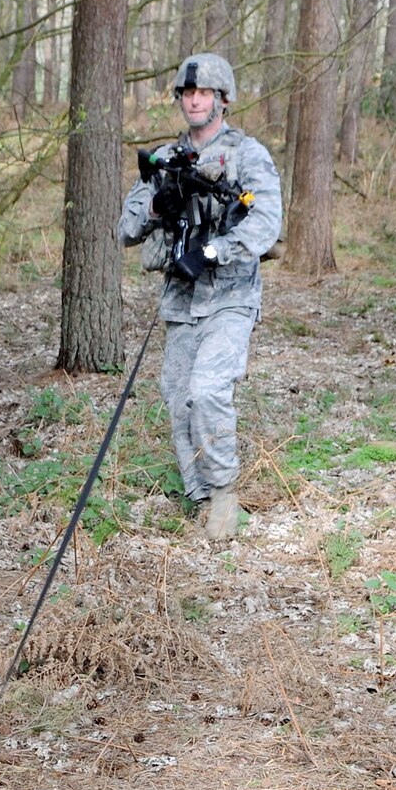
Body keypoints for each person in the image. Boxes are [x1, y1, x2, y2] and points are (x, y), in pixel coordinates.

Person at [118, 53, 282, 542]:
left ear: (222, 100)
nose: (194, 99)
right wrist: (155, 203)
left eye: (204, 93)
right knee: (177, 399)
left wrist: (214, 250)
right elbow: (125, 229)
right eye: (188, 93)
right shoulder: (166, 158)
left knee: (208, 389)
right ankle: (202, 498)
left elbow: (268, 221)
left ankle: (226, 498)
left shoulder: (247, 154)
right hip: (180, 301)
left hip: (230, 296)